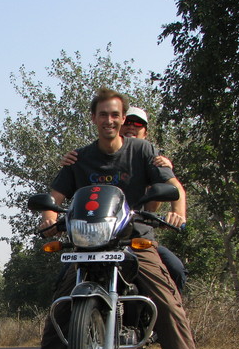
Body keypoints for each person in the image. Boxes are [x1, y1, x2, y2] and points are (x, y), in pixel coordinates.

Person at [17, 88, 215, 349]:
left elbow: (172, 185)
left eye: (114, 115)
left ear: (122, 119)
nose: (109, 120)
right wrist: (49, 218)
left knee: (166, 300)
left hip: (134, 238)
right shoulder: (79, 158)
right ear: (94, 118)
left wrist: (177, 212)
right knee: (62, 304)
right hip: (87, 243)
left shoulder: (143, 150)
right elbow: (54, 197)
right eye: (102, 114)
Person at [62, 106, 187, 291]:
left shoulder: (151, 157)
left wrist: (178, 213)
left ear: (146, 131)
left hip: (136, 236)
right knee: (62, 283)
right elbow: (58, 192)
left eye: (138, 124)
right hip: (96, 240)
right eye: (128, 122)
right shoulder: (87, 156)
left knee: (175, 269)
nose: (131, 127)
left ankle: (174, 316)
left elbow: (162, 198)